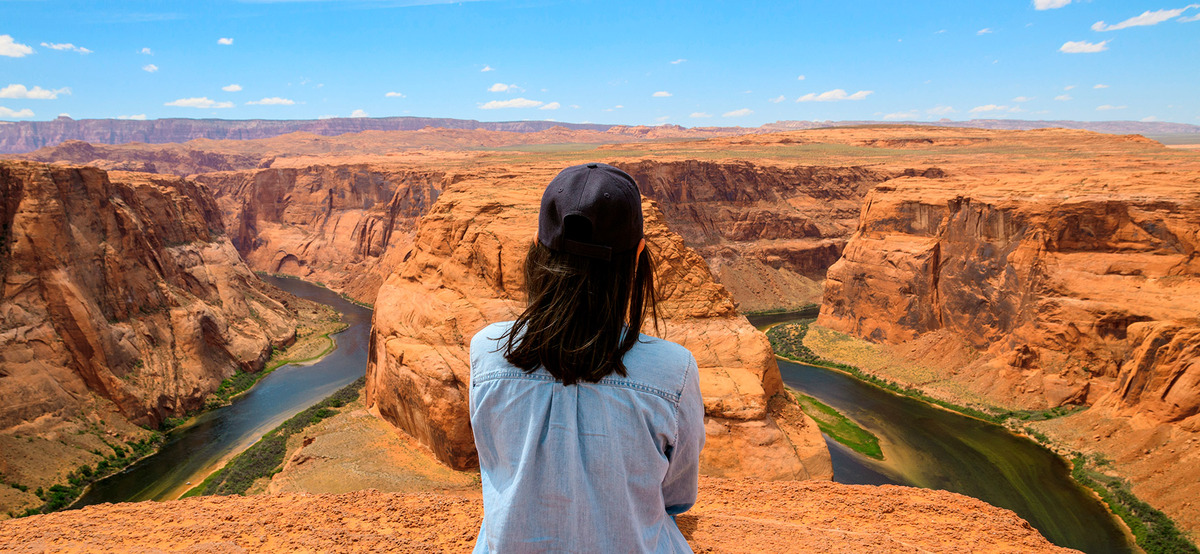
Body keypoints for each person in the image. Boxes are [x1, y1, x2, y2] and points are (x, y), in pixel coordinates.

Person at [468, 163, 705, 553]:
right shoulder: (672, 372)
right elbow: (678, 495)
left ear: (537, 247)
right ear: (639, 254)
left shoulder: (488, 351)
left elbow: (494, 464)